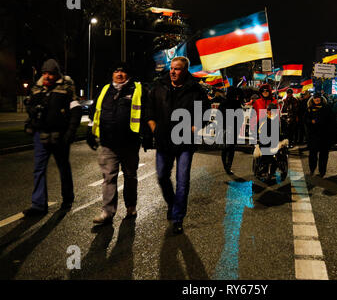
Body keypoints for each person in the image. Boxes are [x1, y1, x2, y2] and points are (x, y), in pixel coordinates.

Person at [145, 56, 209, 234]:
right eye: (172, 68)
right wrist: (154, 128)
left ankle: (177, 217)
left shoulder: (195, 90)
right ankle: (172, 204)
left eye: (178, 69)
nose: (173, 71)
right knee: (162, 176)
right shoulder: (159, 86)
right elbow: (149, 110)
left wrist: (195, 126)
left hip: (185, 143)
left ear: (185, 70)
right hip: (164, 140)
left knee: (182, 181)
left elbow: (205, 111)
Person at [86, 63, 148, 224]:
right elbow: (95, 111)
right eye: (116, 71)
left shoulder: (137, 90)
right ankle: (107, 211)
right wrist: (90, 131)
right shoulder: (106, 90)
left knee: (130, 176)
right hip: (108, 142)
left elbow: (147, 113)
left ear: (128, 74)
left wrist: (147, 135)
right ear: (112, 74)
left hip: (129, 143)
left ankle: (131, 206)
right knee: (108, 177)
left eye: (122, 71)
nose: (119, 74)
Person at [23, 59, 82, 216]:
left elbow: (76, 109)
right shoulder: (37, 87)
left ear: (57, 74)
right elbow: (31, 109)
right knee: (39, 169)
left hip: (60, 136)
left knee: (63, 167)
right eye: (45, 73)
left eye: (51, 74)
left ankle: (68, 197)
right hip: (41, 135)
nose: (47, 76)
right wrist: (31, 123)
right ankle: (38, 205)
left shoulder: (66, 85)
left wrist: (70, 132)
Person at [304, 92, 336, 177]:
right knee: (312, 154)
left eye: (318, 98)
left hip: (324, 135)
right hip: (313, 135)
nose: (317, 99)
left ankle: (322, 171)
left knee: (324, 155)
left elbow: (332, 121)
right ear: (313, 99)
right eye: (315, 98)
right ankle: (312, 169)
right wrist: (311, 121)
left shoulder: (327, 108)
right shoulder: (309, 109)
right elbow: (305, 119)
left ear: (321, 99)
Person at [218, 86, 243, 175]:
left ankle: (226, 166)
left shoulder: (223, 103)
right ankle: (228, 166)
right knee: (231, 148)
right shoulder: (236, 103)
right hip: (232, 129)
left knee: (225, 149)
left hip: (225, 128)